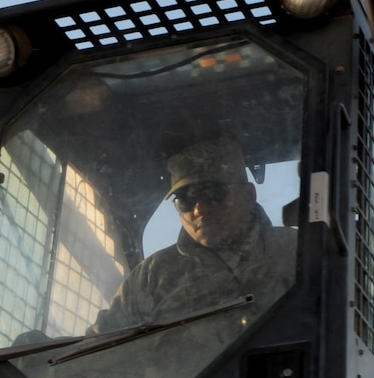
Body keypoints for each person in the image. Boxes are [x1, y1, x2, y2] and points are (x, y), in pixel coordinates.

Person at [90, 136, 297, 334]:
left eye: (213, 193)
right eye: (185, 199)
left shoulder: (298, 252)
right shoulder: (151, 278)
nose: (199, 210)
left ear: (249, 196)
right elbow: (97, 351)